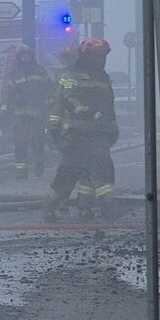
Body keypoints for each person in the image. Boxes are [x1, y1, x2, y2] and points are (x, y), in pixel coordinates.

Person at [43, 37, 119, 223]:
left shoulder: (103, 78)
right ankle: (49, 207)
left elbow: (108, 107)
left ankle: (98, 207)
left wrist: (111, 128)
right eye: (97, 56)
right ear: (86, 57)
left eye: (102, 56)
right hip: (75, 135)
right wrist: (56, 127)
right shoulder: (70, 76)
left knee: (102, 173)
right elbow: (64, 99)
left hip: (99, 133)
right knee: (68, 174)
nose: (100, 59)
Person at [2, 46, 52, 179]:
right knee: (19, 144)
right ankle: (22, 172)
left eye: (27, 55)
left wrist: (52, 107)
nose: (25, 58)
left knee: (37, 142)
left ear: (31, 56)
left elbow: (51, 90)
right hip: (20, 116)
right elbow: (8, 95)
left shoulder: (41, 71)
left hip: (38, 115)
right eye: (22, 56)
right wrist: (6, 112)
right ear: (19, 58)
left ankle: (39, 163)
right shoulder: (14, 75)